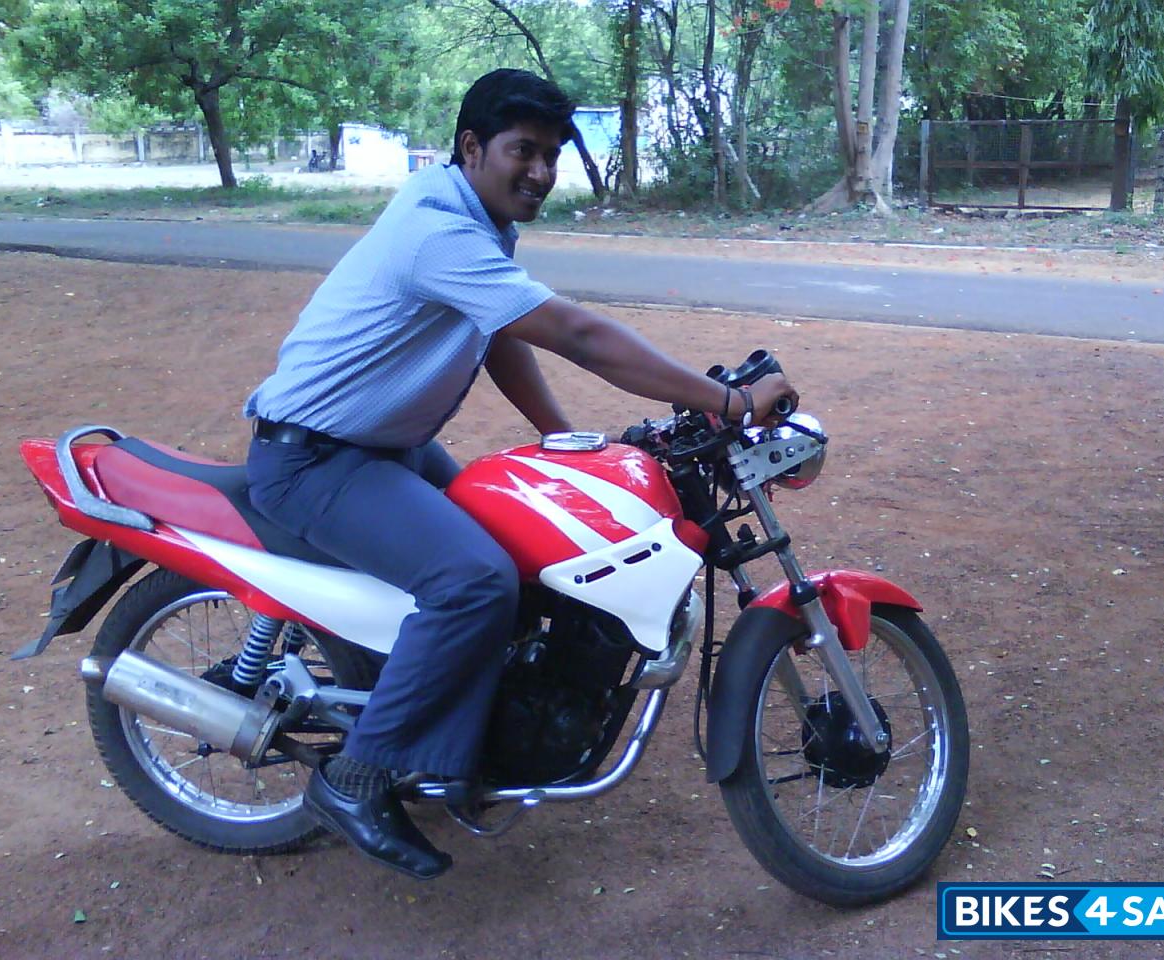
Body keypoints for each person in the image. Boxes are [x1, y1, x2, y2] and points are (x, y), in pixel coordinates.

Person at [243, 68, 794, 880]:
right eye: (523, 151)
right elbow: (578, 335)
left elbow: (498, 334)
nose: (540, 172)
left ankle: (457, 740)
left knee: (523, 548)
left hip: (382, 447)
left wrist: (561, 439)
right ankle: (354, 779)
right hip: (316, 458)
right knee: (473, 582)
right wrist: (730, 401)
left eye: (552, 156)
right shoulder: (438, 231)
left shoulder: (473, 218)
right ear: (472, 147)